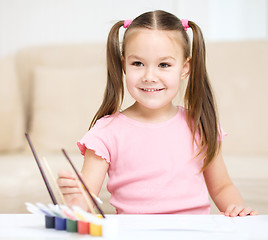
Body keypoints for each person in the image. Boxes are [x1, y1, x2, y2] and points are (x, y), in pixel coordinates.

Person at [58, 10, 257, 217]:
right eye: (137, 63)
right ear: (124, 65)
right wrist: (74, 198)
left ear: (184, 68)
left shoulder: (200, 124)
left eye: (164, 65)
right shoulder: (106, 133)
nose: (149, 76)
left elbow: (222, 187)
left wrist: (237, 211)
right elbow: (85, 201)